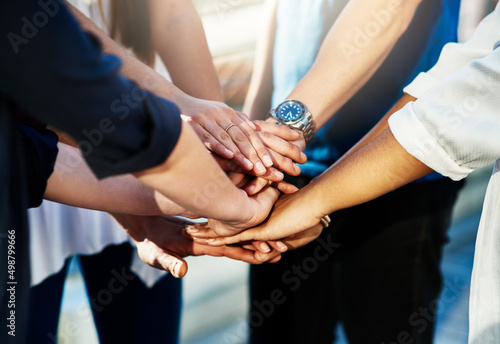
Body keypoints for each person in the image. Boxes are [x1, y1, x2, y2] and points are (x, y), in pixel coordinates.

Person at [191, 3, 500, 343]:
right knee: (280, 331)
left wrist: (271, 144)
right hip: (289, 164)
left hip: (397, 173)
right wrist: (255, 136)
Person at [0, 1, 291, 343]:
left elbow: (173, 14)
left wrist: (222, 154)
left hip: (143, 135)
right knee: (19, 324)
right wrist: (223, 198)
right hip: (92, 139)